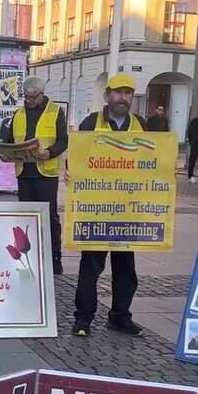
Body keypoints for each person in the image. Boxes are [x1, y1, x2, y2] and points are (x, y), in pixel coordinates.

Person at [71, 73, 158, 337]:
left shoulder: (141, 125)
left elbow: (153, 160)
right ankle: (83, 319)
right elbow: (77, 157)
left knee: (126, 269)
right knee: (90, 267)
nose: (123, 97)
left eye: (128, 93)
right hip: (96, 209)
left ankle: (120, 317)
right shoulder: (91, 123)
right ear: (107, 95)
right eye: (118, 92)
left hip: (128, 210)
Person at [0, 76, 68, 274]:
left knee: (49, 216)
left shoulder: (55, 111)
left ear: (42, 94)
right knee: (26, 216)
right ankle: (28, 257)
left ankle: (54, 258)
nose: (29, 100)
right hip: (24, 172)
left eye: (33, 97)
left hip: (46, 173)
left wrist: (50, 152)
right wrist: (6, 153)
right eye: (26, 97)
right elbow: (10, 140)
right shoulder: (19, 113)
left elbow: (63, 140)